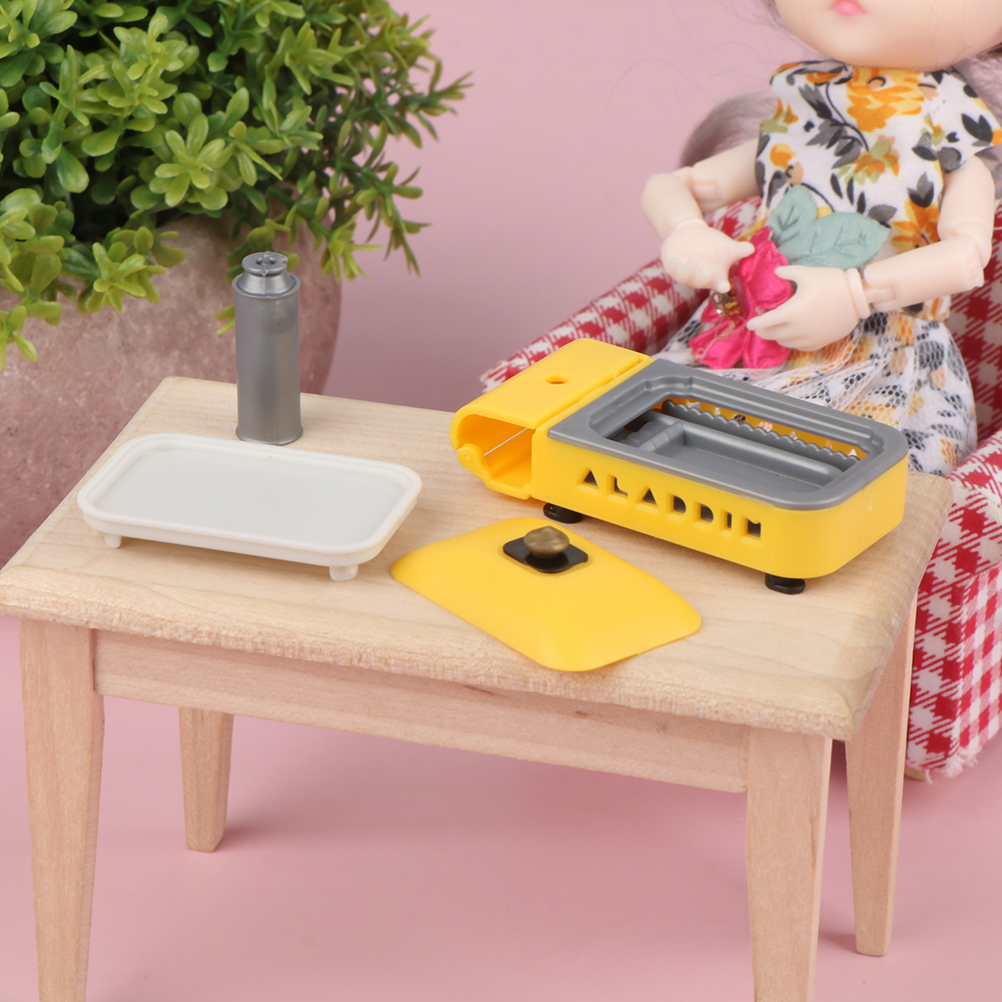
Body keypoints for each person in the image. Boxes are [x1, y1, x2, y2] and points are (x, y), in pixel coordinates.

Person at [641, 0, 1002, 475]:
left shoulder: (948, 140)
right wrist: (686, 229)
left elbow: (966, 256)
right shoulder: (801, 114)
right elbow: (678, 186)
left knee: (839, 478)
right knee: (667, 444)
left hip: (879, 360)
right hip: (748, 329)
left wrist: (855, 294)